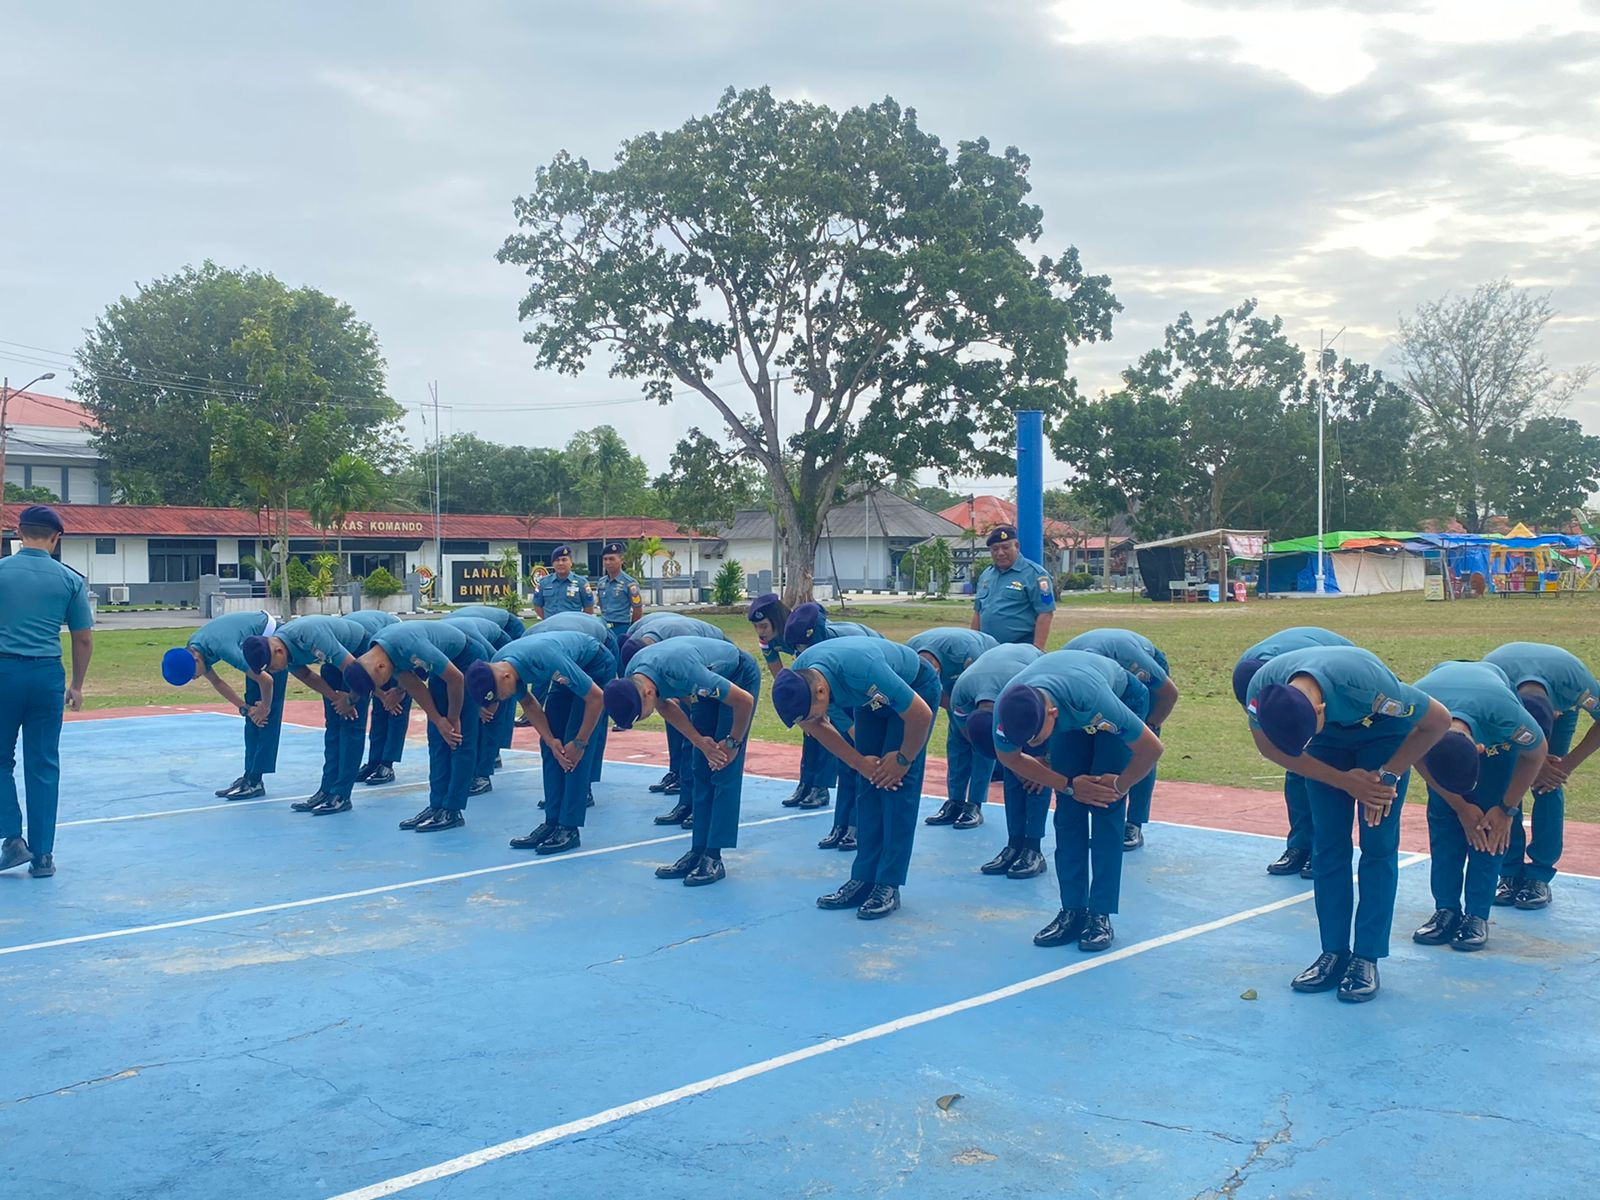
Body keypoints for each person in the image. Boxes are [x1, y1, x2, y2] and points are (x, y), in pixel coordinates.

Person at [1246, 645, 1450, 1002]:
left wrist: (1388, 776)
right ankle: (1334, 952)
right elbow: (1272, 749)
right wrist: (1342, 780)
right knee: (1327, 844)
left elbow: (1439, 721)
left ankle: (1366, 957)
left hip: (1382, 735)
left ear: (1320, 709)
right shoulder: (1263, 689)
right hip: (1324, 743)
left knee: (1378, 843)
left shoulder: (1369, 685)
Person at [993, 650, 1164, 953]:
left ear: (1051, 714)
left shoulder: (1096, 699)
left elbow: (1151, 749)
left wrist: (1119, 784)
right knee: (1068, 811)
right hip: (1069, 711)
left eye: (1036, 738)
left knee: (1104, 804)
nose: (1033, 746)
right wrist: (1069, 786)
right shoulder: (1008, 707)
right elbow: (1011, 758)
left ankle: (1100, 915)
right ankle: (1072, 910)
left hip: (1117, 694)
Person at [772, 638, 940, 920]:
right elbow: (817, 726)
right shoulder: (799, 679)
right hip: (869, 699)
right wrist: (859, 763)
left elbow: (920, 714)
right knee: (869, 782)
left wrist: (903, 759)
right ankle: (863, 877)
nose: (811, 721)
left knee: (897, 786)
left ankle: (888, 883)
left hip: (914, 687)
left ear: (822, 691)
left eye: (813, 713)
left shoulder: (862, 670)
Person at [1413, 661, 1552, 953]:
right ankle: (1446, 909)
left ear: (1479, 749)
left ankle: (1477, 915)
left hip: (1494, 727)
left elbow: (1536, 754)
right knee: (1443, 820)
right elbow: (1415, 758)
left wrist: (1505, 809)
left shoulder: (1506, 717)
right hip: (1442, 718)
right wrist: (1459, 805)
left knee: (1489, 828)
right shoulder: (1417, 710)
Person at [604, 635, 759, 887]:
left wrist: (733, 743)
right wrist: (699, 740)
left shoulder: (684, 672)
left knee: (722, 767)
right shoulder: (635, 672)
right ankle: (698, 848)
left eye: (639, 715)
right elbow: (665, 705)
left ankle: (713, 856)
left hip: (737, 675)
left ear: (646, 692)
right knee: (699, 764)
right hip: (704, 680)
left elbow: (745, 702)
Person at [0, 505, 93, 879]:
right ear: (56, 539)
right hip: (46, 675)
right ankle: (43, 856)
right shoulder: (70, 579)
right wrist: (77, 684)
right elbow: (83, 638)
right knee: (43, 764)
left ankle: (12, 839)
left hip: (4, 670)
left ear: (19, 534)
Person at [470, 629, 614, 855]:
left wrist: (580, 742)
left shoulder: (546, 659)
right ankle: (552, 821)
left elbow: (596, 698)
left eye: (500, 696)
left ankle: (569, 828)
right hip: (565, 666)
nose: (502, 700)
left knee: (573, 749)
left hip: (594, 664)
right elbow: (528, 704)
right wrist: (549, 740)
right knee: (551, 745)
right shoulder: (500, 666)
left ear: (506, 677)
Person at [343, 620, 495, 833]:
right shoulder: (377, 651)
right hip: (441, 666)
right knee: (437, 736)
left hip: (465, 661)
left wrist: (452, 718)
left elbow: (456, 680)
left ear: (380, 667)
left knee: (458, 739)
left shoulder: (411, 647)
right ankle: (436, 805)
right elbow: (414, 684)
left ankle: (452, 810)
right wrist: (437, 719)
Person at [1481, 642, 1600, 911]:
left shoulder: (1577, 685)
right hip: (1509, 710)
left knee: (1547, 784)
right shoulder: (1493, 683)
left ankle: (1539, 875)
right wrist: (1528, 762)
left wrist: (1565, 765)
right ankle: (1508, 871)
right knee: (1508, 781)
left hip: (1558, 692)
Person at [1232, 626, 1354, 877]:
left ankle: (1322, 850)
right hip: (1290, 679)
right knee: (1296, 765)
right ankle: (1299, 846)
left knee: (1321, 766)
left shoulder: (1307, 673)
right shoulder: (1249, 675)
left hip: (1334, 683)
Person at [244, 616, 378, 815]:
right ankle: (326, 789)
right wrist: (335, 698)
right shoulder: (281, 649)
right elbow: (307, 676)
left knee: (351, 726)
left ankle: (341, 794)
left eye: (271, 667)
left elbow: (357, 672)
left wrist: (349, 700)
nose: (273, 672)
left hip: (358, 653)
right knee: (333, 727)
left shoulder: (309, 637)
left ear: (278, 651)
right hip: (333, 661)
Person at [782, 602, 889, 846]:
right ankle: (841, 823)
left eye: (803, 645)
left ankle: (858, 824)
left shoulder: (849, 641)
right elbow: (822, 700)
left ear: (815, 635)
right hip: (839, 690)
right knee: (846, 760)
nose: (800, 651)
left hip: (869, 687)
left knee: (865, 758)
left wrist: (856, 731)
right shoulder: (808, 657)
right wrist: (846, 728)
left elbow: (870, 683)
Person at [1063, 628, 1179, 851]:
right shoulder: (1069, 668)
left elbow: (1169, 694)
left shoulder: (1129, 657)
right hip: (1096, 682)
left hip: (1140, 679)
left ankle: (1134, 823)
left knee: (1143, 748)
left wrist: (1151, 726)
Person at [160, 609, 286, 800]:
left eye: (193, 675)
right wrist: (245, 707)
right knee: (253, 713)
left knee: (266, 717)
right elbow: (217, 682)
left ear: (195, 659)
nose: (195, 678)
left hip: (272, 641)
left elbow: (267, 681)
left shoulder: (221, 647)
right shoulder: (195, 648)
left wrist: (264, 708)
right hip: (252, 641)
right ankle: (249, 774)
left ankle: (255, 780)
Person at [619, 613, 731, 826]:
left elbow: (690, 691)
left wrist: (696, 725)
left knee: (697, 740)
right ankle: (684, 796)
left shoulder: (677, 645)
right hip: (677, 674)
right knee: (683, 731)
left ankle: (700, 806)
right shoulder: (639, 648)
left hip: (713, 666)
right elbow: (664, 701)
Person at [951, 643, 1046, 878]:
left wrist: (1042, 764)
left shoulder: (1026, 689)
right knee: (1014, 773)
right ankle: (1014, 845)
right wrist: (1011, 763)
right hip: (998, 680)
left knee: (1036, 778)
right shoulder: (960, 695)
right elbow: (969, 736)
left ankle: (1034, 849)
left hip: (1034, 685)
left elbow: (1051, 727)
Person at [907, 627, 998, 829]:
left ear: (937, 670)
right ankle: (955, 802)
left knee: (978, 737)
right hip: (953, 682)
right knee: (956, 739)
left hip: (983, 676)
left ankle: (975, 804)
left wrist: (963, 715)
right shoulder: (908, 654)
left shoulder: (966, 652)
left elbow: (973, 693)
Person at [443, 613, 517, 795]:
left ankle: (483, 774)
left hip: (497, 644)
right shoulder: (441, 642)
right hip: (475, 640)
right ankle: (483, 757)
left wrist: (485, 703)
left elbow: (496, 675)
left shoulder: (479, 648)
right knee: (470, 709)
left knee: (490, 715)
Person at [345, 610, 408, 787]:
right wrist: (381, 695)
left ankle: (387, 764)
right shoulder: (347, 646)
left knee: (397, 708)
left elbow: (415, 675)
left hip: (395, 649)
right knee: (379, 710)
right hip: (375, 653)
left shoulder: (365, 642)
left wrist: (399, 691)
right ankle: (374, 762)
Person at [970, 524, 1054, 650]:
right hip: (987, 648)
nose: (1000, 553)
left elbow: (1046, 613)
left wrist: (1037, 649)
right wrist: (974, 644)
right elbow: (978, 612)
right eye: (995, 549)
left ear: (1017, 546)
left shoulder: (1036, 575)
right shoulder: (986, 574)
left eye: (1005, 547)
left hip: (1018, 648)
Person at [594, 540, 644, 642]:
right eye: (605, 559)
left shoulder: (630, 583)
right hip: (604, 626)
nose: (608, 562)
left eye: (612, 559)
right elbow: (600, 604)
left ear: (621, 560)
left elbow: (637, 609)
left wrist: (632, 630)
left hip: (621, 627)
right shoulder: (601, 582)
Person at [532, 545, 595, 619]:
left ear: (571, 562)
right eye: (557, 560)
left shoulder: (581, 583)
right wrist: (547, 620)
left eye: (564, 560)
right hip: (551, 627)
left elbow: (589, 608)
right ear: (553, 563)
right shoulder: (543, 583)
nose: (560, 563)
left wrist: (579, 622)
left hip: (572, 627)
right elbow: (537, 605)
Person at [450, 603, 527, 640]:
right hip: (494, 621)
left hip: (508, 623)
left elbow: (484, 647)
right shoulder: (451, 622)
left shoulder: (465, 627)